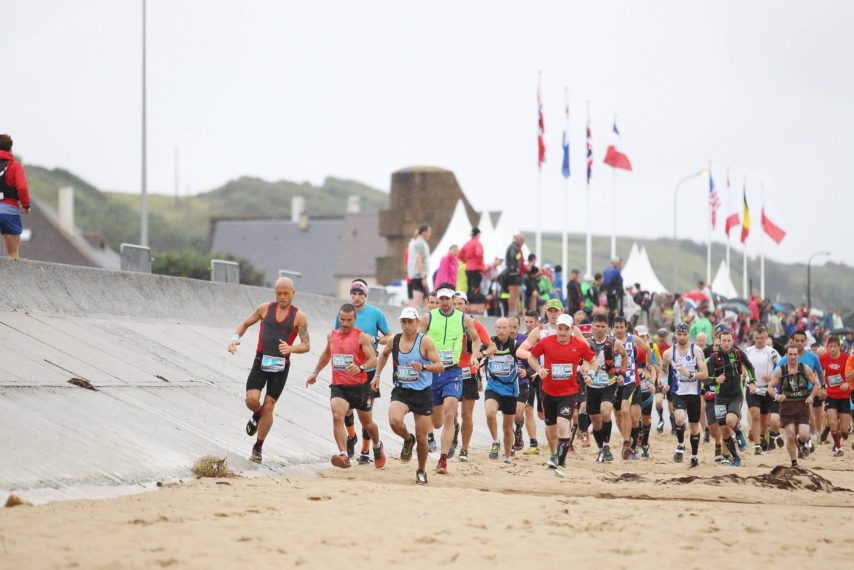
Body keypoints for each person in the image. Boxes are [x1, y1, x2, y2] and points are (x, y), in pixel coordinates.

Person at [228, 277, 310, 463]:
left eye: (285, 293)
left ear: (293, 293)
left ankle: (258, 447)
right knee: (251, 400)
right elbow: (245, 324)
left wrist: (292, 349)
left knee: (270, 406)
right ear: (275, 293)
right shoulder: (265, 309)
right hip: (261, 361)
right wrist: (233, 339)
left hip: (280, 366)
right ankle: (257, 413)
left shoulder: (299, 317)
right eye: (278, 293)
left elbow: (306, 345)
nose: (282, 297)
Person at [307, 304, 385, 469]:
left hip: (359, 386)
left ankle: (377, 446)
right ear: (338, 318)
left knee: (368, 424)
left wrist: (361, 367)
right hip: (339, 387)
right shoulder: (331, 336)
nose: (345, 323)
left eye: (349, 320)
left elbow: (373, 359)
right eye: (342, 319)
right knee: (337, 416)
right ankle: (343, 454)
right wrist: (315, 372)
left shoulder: (361, 337)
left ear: (354, 320)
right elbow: (327, 354)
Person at [374, 307, 444, 484]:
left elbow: (440, 366)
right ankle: (407, 439)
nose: (406, 325)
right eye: (403, 322)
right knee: (394, 421)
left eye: (410, 321)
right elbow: (383, 355)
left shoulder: (425, 342)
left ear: (417, 322)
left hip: (422, 393)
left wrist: (424, 367)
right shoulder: (394, 340)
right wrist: (377, 375)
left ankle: (421, 470)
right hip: (402, 390)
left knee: (422, 438)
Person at [419, 284, 483, 474]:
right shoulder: (428, 318)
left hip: (453, 372)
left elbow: (477, 339)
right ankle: (440, 438)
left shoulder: (464, 319)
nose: (445, 302)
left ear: (452, 298)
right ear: (438, 299)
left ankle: (443, 460)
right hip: (432, 372)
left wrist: (474, 355)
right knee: (437, 421)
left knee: (450, 412)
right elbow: (418, 339)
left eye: (448, 298)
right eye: (442, 298)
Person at [527, 314, 597, 478]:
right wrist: (539, 370)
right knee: (551, 429)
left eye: (566, 329)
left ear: (572, 330)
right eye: (560, 328)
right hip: (548, 392)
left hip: (569, 393)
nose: (563, 332)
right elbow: (531, 357)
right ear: (556, 329)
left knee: (562, 426)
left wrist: (590, 375)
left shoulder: (579, 345)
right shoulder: (546, 342)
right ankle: (553, 455)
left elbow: (593, 361)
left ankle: (561, 464)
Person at [335, 279, 391, 463]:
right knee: (346, 410)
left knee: (366, 414)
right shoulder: (343, 314)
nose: (356, 297)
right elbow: (337, 337)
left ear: (365, 296)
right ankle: (351, 437)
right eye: (354, 293)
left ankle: (366, 451)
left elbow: (389, 337)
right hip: (348, 370)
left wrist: (374, 338)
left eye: (360, 294)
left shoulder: (375, 313)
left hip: (368, 368)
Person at [454, 291, 496, 462]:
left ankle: (464, 449)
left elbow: (492, 347)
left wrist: (479, 355)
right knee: (449, 413)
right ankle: (454, 430)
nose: (457, 307)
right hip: (449, 372)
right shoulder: (446, 323)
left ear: (466, 305)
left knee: (466, 414)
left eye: (460, 304)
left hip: (468, 373)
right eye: (454, 303)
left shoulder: (473, 323)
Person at [660, 324, 709, 467]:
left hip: (694, 394)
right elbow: (663, 369)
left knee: (694, 428)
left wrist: (690, 374)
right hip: (678, 392)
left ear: (688, 335)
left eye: (684, 335)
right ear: (675, 335)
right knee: (679, 419)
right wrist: (664, 383)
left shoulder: (696, 351)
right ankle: (681, 444)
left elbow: (704, 374)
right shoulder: (669, 353)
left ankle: (694, 456)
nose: (682, 337)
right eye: (679, 334)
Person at [583, 313, 628, 463]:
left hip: (609, 383)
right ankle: (601, 449)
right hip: (591, 386)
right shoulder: (586, 343)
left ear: (607, 327)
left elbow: (624, 356)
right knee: (595, 422)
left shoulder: (614, 342)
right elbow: (581, 360)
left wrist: (622, 372)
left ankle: (607, 445)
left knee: (605, 412)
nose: (600, 329)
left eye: (603, 326)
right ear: (592, 326)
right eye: (597, 326)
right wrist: (583, 372)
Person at [706, 329, 755, 467]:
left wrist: (752, 382)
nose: (726, 344)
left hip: (735, 396)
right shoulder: (714, 358)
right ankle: (736, 457)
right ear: (719, 342)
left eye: (729, 341)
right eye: (724, 341)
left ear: (732, 341)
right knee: (724, 430)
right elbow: (705, 378)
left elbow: (750, 367)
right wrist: (716, 380)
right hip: (720, 398)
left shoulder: (738, 354)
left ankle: (739, 434)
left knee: (730, 420)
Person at [768, 345, 820, 468]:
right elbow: (770, 388)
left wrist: (811, 396)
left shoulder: (804, 368)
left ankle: (803, 443)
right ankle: (794, 462)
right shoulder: (781, 370)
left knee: (803, 435)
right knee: (790, 435)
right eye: (790, 354)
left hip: (802, 405)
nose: (792, 357)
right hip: (787, 406)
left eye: (795, 354)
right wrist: (777, 396)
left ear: (798, 355)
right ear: (786, 355)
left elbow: (816, 385)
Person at [775, 330, 823, 452]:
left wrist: (823, 387)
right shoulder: (787, 357)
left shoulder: (812, 357)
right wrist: (777, 393)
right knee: (793, 427)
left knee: (810, 416)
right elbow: (775, 374)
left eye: (802, 341)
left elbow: (820, 372)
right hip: (790, 396)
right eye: (797, 341)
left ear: (805, 341)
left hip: (808, 393)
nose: (800, 343)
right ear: (792, 341)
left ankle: (809, 439)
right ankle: (801, 444)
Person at [613, 316, 650, 460]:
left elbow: (648, 349)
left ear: (626, 327)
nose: (619, 330)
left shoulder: (633, 339)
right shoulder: (611, 341)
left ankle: (631, 446)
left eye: (622, 327)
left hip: (632, 381)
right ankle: (627, 443)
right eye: (617, 327)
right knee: (619, 417)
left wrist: (647, 368)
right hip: (615, 382)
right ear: (613, 328)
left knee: (633, 417)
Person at [484, 318, 521, 463]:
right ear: (495, 329)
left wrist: (526, 371)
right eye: (498, 328)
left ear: (509, 329)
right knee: (490, 412)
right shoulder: (489, 343)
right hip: (493, 386)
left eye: (504, 328)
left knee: (507, 427)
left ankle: (506, 457)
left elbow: (527, 359)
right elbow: (478, 355)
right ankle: (495, 441)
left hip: (510, 390)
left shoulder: (515, 345)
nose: (501, 330)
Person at [745, 326, 781, 455]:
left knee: (764, 419)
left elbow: (782, 367)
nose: (759, 340)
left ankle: (762, 437)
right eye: (757, 338)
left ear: (766, 337)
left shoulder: (772, 352)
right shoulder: (747, 351)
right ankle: (757, 445)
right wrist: (746, 377)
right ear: (753, 338)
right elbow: (741, 367)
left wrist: (772, 376)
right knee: (755, 415)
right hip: (752, 388)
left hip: (767, 389)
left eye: (762, 338)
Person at [0, 134, 31, 258]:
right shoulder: (15, 166)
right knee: (12, 253)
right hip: (9, 213)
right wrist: (26, 205)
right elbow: (22, 188)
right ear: (10, 149)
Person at [820, 336, 851, 456]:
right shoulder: (823, 358)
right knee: (833, 422)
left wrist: (847, 383)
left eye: (834, 346)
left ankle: (828, 428)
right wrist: (822, 386)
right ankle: (839, 449)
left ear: (839, 347)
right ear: (827, 347)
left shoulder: (846, 358)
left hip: (844, 395)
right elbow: (817, 371)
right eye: (830, 347)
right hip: (831, 395)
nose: (832, 349)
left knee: (844, 431)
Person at [407, 225, 432, 310]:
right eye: (429, 232)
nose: (430, 234)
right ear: (424, 232)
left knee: (427, 300)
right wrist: (423, 277)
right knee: (417, 302)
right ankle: (413, 321)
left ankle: (427, 320)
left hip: (418, 275)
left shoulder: (414, 242)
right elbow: (418, 260)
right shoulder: (420, 244)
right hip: (419, 275)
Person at [458, 227, 485, 300]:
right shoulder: (478, 243)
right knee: (476, 287)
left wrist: (467, 262)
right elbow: (479, 254)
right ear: (478, 234)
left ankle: (468, 303)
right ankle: (475, 304)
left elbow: (459, 255)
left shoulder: (467, 244)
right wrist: (479, 263)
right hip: (477, 268)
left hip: (468, 268)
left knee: (469, 287)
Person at [504, 234, 526, 315]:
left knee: (516, 293)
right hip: (513, 274)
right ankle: (511, 312)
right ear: (517, 239)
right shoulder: (513, 248)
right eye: (522, 240)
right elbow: (513, 259)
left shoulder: (517, 248)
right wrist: (515, 269)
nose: (523, 242)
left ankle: (513, 311)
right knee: (513, 293)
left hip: (516, 274)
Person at [602, 257, 623, 323]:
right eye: (619, 263)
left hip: (609, 293)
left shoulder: (605, 270)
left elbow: (604, 283)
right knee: (617, 309)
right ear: (616, 264)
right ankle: (616, 323)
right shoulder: (616, 271)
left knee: (611, 308)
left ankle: (610, 323)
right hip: (615, 293)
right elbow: (620, 281)